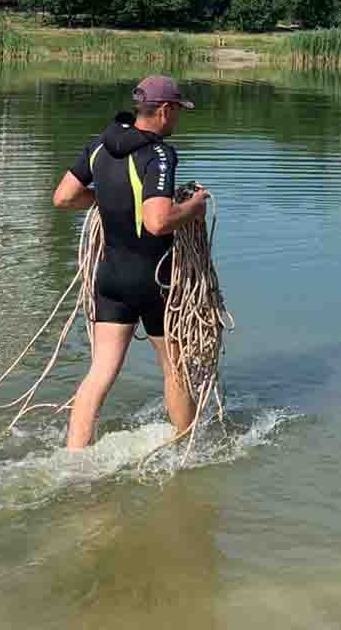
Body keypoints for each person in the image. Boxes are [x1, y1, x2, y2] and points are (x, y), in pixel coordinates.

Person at [52, 75, 211, 449]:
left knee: (101, 370)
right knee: (176, 367)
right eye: (177, 113)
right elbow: (158, 222)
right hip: (152, 280)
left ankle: (75, 455)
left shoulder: (99, 146)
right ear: (166, 110)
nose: (177, 122)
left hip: (109, 278)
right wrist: (194, 207)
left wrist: (107, 199)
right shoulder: (158, 155)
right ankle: (185, 448)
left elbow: (63, 198)